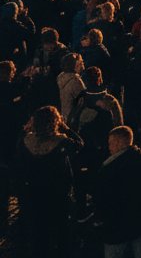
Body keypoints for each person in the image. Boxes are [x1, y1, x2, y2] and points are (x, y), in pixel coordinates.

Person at [15, 105, 81, 258]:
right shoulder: (61, 142)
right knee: (62, 232)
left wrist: (25, 130)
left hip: (34, 193)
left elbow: (18, 154)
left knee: (39, 233)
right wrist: (66, 128)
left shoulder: (26, 141)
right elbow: (79, 144)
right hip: (58, 193)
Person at [93, 125, 141, 258]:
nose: (109, 147)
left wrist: (99, 218)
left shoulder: (109, 168)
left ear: (119, 142)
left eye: (111, 143)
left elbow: (104, 198)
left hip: (117, 225)